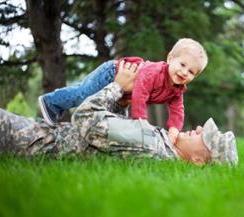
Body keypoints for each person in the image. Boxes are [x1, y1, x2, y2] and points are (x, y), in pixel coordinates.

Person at [0, 62, 238, 166]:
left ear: (197, 162)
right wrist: (123, 101)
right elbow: (109, 132)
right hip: (40, 135)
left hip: (32, 140)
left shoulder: (151, 142)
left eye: (203, 135)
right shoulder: (159, 146)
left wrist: (118, 87)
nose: (197, 129)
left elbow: (83, 119)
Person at [38, 38, 208, 144]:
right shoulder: (155, 72)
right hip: (113, 73)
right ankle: (51, 102)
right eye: (182, 65)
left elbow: (178, 111)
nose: (184, 72)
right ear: (170, 58)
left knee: (108, 114)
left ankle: (60, 115)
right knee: (83, 94)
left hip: (123, 90)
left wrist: (174, 129)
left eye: (191, 72)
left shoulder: (177, 91)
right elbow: (140, 93)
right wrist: (140, 120)